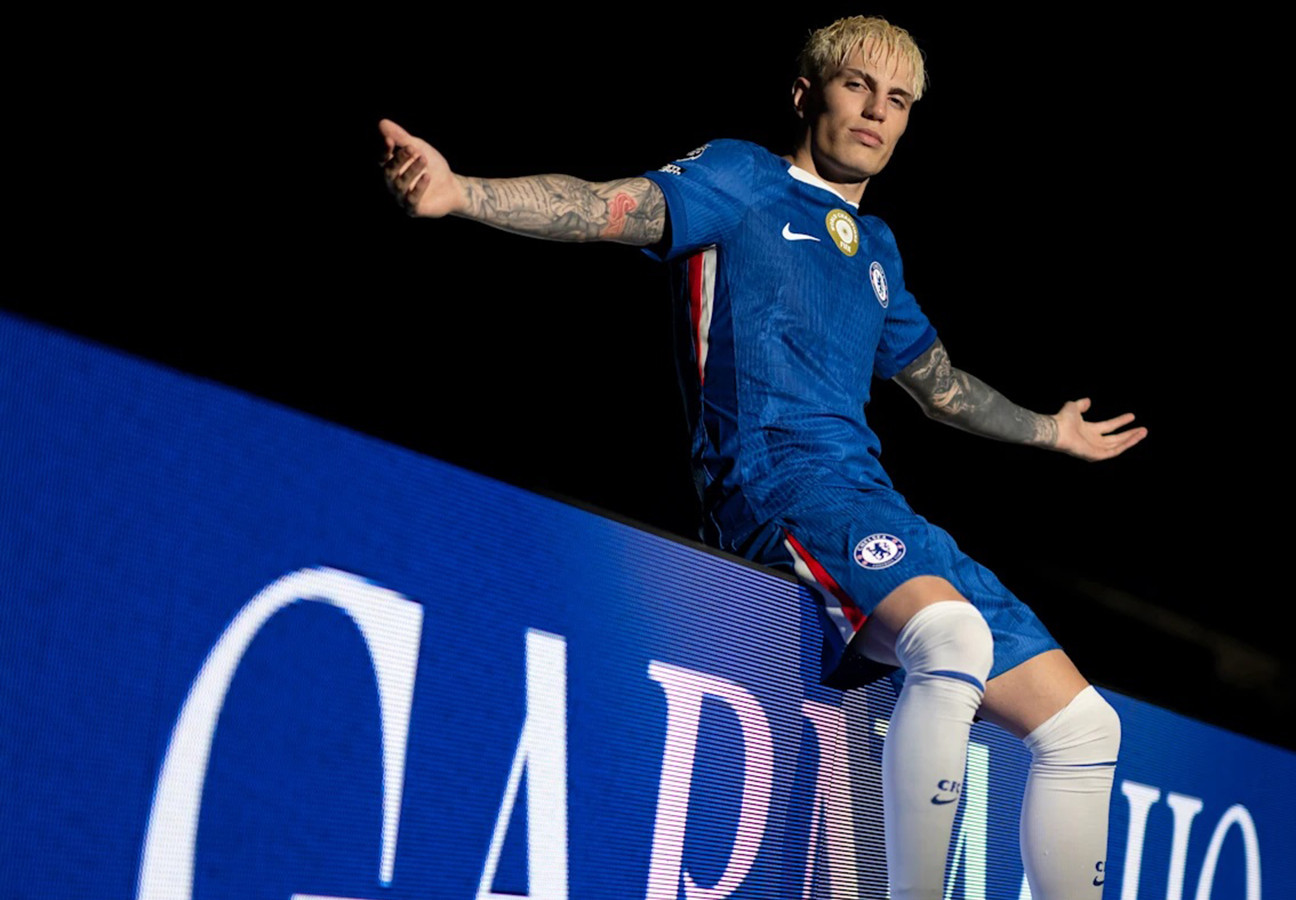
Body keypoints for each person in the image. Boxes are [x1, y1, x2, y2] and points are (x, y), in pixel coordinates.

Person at [380, 16, 1145, 899]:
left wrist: (1052, 431)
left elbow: (940, 387)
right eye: (858, 86)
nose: (878, 112)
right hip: (777, 487)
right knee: (952, 635)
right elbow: (604, 206)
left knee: (1087, 728)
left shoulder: (877, 249)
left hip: (873, 502)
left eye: (898, 101)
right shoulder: (744, 177)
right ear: (805, 94)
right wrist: (460, 192)